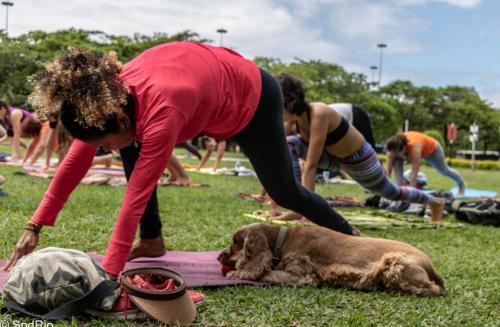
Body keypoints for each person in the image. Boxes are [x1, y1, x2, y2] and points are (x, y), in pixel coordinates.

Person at [2, 42, 357, 278]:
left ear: (122, 121)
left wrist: (109, 275)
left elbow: (136, 195)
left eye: (104, 145)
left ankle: (351, 236)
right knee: (129, 146)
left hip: (253, 96)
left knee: (285, 192)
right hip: (208, 89)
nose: (105, 151)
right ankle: (153, 241)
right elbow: (72, 166)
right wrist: (33, 226)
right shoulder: (107, 103)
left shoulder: (162, 111)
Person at [270, 73, 444, 222]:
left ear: (290, 103)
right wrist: (275, 205)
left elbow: (311, 165)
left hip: (359, 160)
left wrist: (310, 213)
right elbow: (278, 159)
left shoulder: (319, 113)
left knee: (392, 192)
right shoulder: (292, 122)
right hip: (334, 159)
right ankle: (298, 207)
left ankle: (435, 201)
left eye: (276, 104)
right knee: (289, 144)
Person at [385, 131, 466, 195]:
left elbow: (414, 174)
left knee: (444, 171)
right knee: (396, 166)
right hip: (413, 150)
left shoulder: (414, 147)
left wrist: (412, 192)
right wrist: (385, 189)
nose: (395, 155)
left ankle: (462, 185)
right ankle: (400, 189)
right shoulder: (391, 150)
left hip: (433, 150)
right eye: (393, 153)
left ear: (404, 148)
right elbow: (388, 170)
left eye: (398, 153)